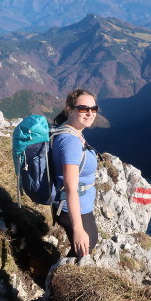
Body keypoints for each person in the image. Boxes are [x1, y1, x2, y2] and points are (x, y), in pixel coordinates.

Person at [51, 88, 99, 258]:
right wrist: (78, 228)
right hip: (72, 205)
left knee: (88, 243)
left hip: (80, 203)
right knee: (85, 247)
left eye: (93, 109)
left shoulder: (72, 132)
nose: (90, 113)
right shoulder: (70, 141)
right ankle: (56, 279)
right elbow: (70, 187)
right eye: (83, 109)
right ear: (69, 110)